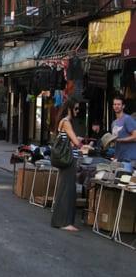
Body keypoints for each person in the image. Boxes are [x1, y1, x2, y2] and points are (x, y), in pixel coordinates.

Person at [51, 97, 88, 232]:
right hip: (68, 160)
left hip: (66, 159)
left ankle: (61, 220)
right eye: (76, 108)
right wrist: (84, 146)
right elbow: (74, 141)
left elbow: (69, 140)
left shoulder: (64, 122)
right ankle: (64, 222)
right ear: (69, 108)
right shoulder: (66, 122)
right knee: (67, 190)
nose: (78, 111)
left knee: (65, 189)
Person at [111, 95, 136, 163]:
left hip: (130, 159)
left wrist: (120, 140)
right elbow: (115, 141)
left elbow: (135, 137)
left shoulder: (127, 119)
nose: (116, 106)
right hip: (119, 158)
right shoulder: (114, 123)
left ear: (123, 106)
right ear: (113, 106)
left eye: (119, 104)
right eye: (115, 104)